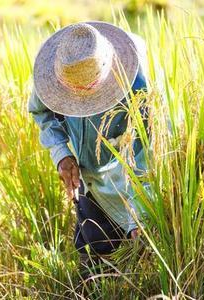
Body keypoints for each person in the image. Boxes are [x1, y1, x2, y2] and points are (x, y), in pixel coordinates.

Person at [28, 21, 150, 275]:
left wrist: (140, 212)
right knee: (94, 259)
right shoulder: (56, 69)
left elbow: (148, 150)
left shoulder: (137, 81)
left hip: (128, 177)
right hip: (86, 175)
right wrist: (61, 154)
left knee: (138, 261)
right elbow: (41, 113)